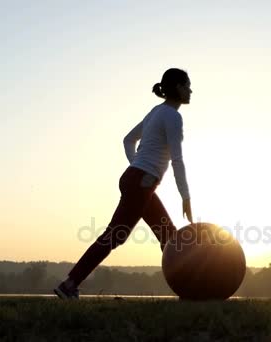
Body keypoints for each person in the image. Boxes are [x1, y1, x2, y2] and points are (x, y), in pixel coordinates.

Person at [54, 68, 194, 299]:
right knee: (115, 236)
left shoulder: (155, 112)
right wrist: (186, 197)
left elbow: (128, 140)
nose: (190, 90)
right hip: (140, 182)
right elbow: (177, 160)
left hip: (138, 180)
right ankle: (69, 285)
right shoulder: (172, 116)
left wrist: (136, 164)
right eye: (187, 85)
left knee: (169, 237)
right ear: (178, 88)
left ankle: (187, 290)